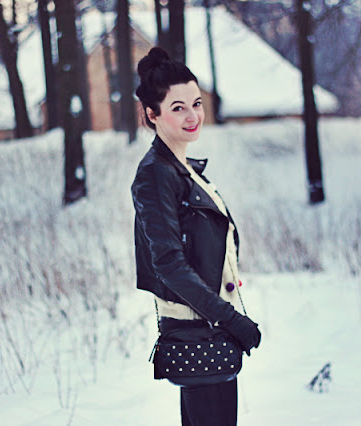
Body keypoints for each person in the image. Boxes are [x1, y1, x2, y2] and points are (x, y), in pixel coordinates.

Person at [131, 47, 261, 426]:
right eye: (178, 108)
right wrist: (231, 320)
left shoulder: (184, 170)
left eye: (197, 103)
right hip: (198, 330)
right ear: (152, 114)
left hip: (211, 327)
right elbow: (169, 265)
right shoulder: (156, 175)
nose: (193, 116)